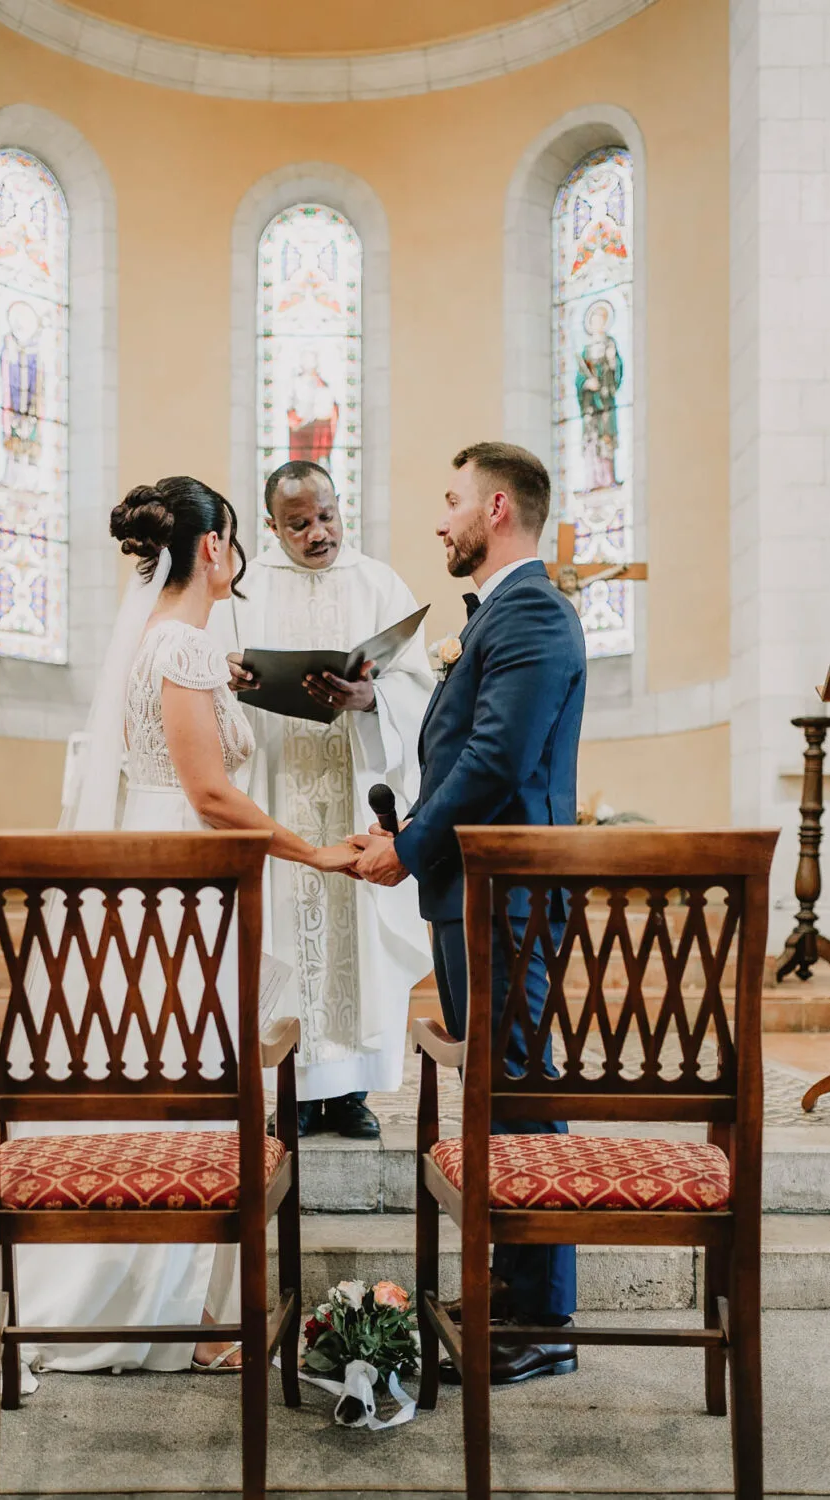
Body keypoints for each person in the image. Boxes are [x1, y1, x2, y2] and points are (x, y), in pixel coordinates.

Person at [0, 476, 357, 1404]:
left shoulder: (169, 646)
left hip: (148, 886)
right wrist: (315, 852)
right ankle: (169, 1321)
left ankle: (150, 1304)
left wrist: (226, 686)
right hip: (185, 889)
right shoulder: (183, 645)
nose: (234, 559)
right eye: (231, 543)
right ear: (211, 550)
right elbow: (211, 795)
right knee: (187, 1078)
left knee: (154, 1075)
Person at [351, 441, 587, 1385]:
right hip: (477, 889)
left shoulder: (530, 611)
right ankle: (510, 1294)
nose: (438, 518)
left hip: (506, 893)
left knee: (522, 1095)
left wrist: (407, 847)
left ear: (496, 508)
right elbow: (466, 757)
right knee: (500, 1093)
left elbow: (492, 760)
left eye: (450, 500)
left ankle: (540, 1319)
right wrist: (413, 834)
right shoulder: (503, 614)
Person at [210, 461, 433, 1139]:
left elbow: (422, 689)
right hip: (278, 791)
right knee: (286, 929)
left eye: (327, 515)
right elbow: (206, 693)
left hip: (356, 789)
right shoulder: (241, 597)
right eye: (299, 522)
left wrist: (371, 699)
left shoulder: (379, 584)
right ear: (272, 526)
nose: (318, 532)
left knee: (361, 938)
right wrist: (237, 682)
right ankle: (298, 1089)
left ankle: (353, 1093)